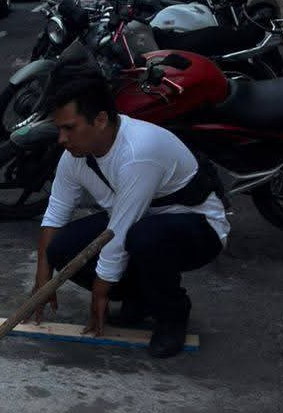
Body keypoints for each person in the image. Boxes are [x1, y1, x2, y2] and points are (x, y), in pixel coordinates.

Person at [33, 68, 229, 358]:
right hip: (138, 219)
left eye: (69, 128)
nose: (61, 138)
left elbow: (119, 231)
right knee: (62, 248)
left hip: (199, 227)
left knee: (143, 238)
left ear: (100, 120)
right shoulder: (75, 155)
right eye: (59, 129)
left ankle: (172, 315)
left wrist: (100, 293)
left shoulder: (139, 152)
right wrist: (43, 277)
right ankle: (141, 297)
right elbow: (56, 213)